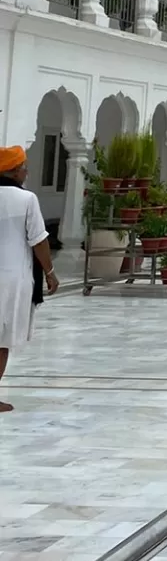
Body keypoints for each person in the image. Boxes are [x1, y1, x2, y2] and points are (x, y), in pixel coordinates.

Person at [0, 146, 58, 414]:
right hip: (12, 280)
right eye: (23, 166)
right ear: (13, 170)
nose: (26, 171)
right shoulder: (26, 199)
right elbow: (39, 241)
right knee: (2, 340)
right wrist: (49, 272)